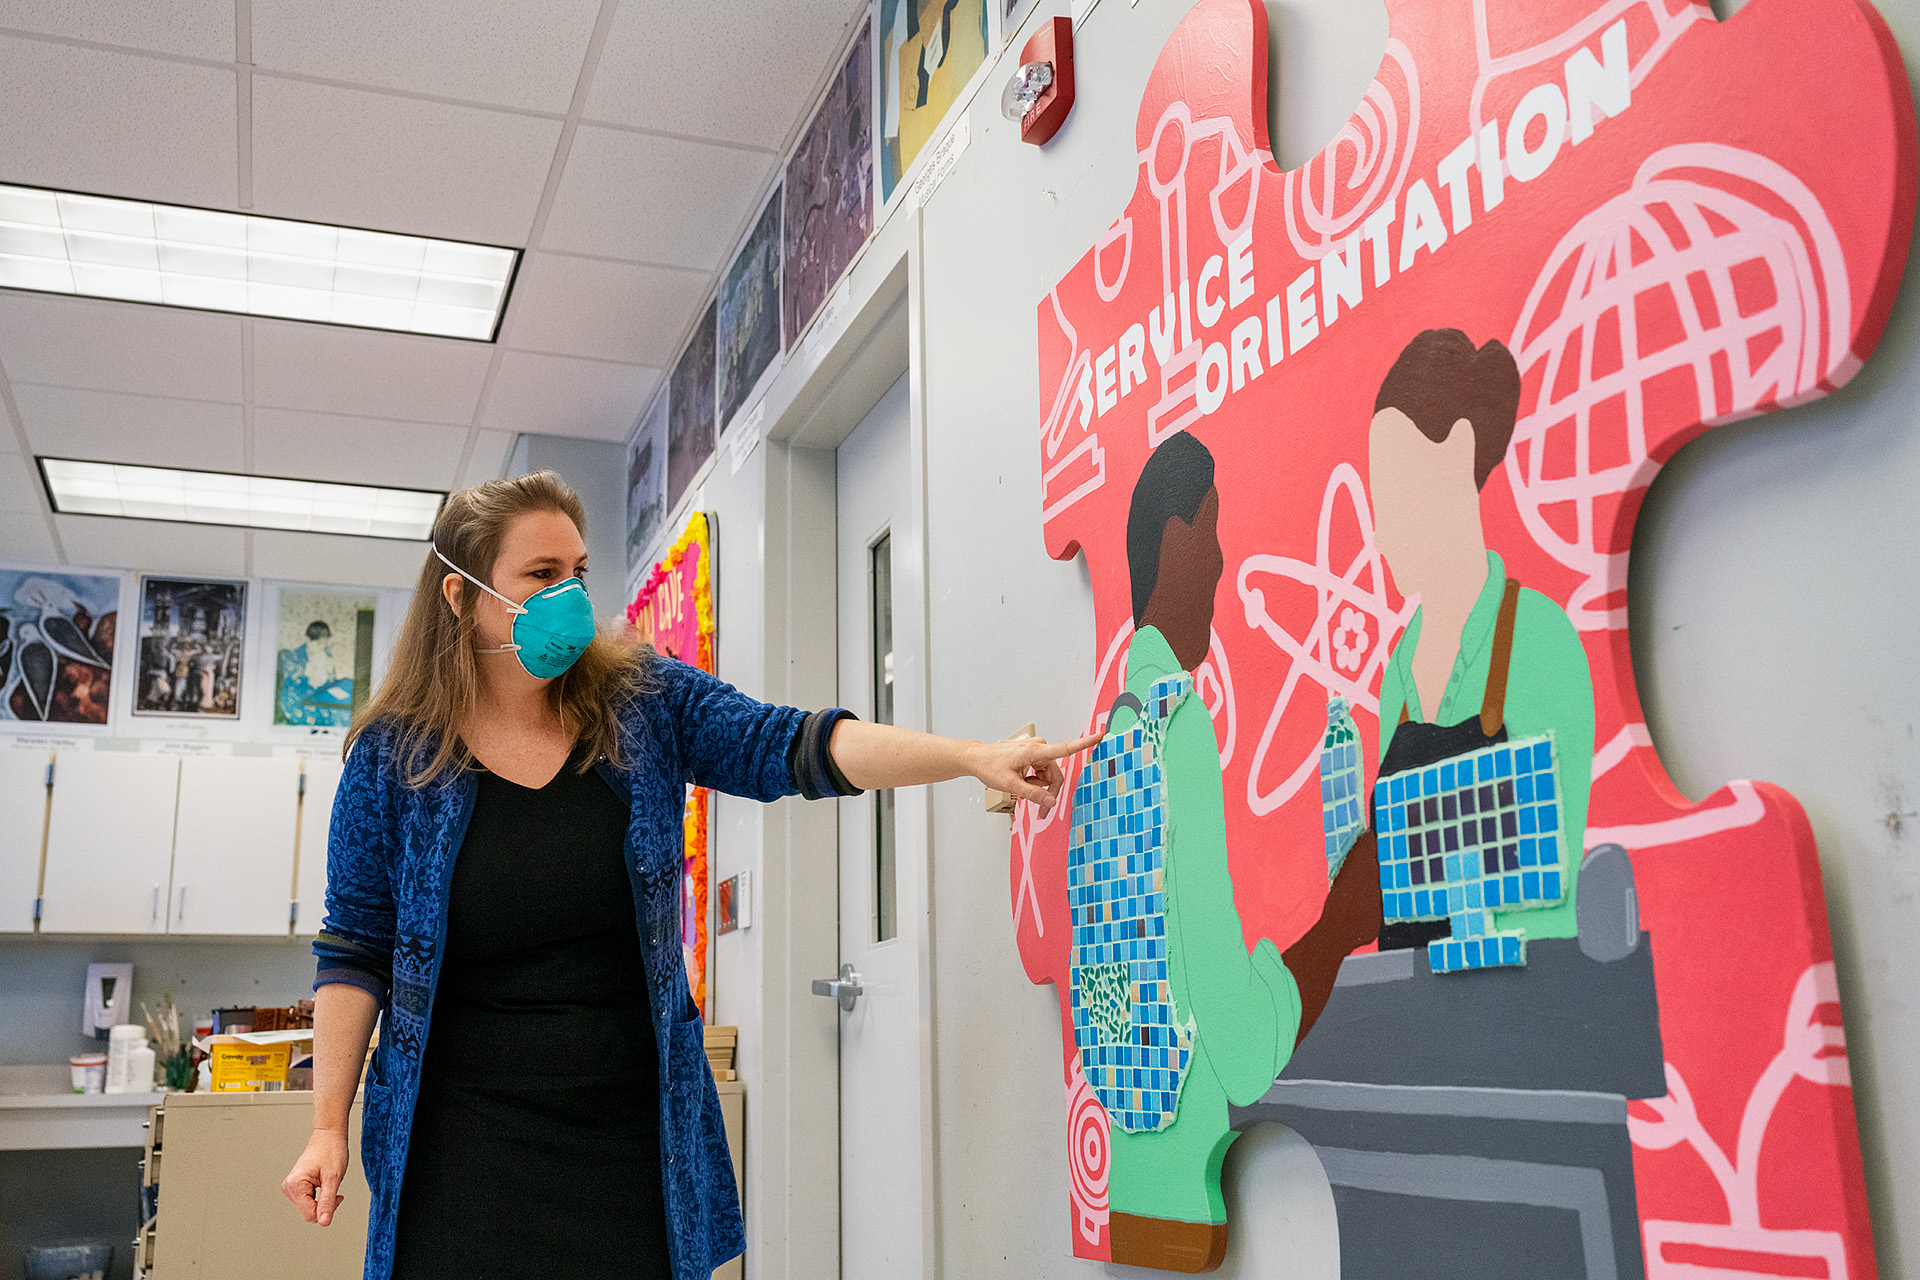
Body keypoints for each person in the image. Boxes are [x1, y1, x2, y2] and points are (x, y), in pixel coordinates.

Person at [281, 471, 1095, 1280]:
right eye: (540, 575)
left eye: (577, 572)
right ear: (459, 596)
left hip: (631, 1137)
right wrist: (328, 1126)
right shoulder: (394, 757)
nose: (569, 595)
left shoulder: (641, 701)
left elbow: (792, 745)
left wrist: (969, 758)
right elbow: (355, 949)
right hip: (460, 1142)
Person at [1084, 432, 1379, 1269]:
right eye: (1215, 530)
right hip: (1202, 1211)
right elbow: (1238, 1036)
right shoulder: (1175, 727)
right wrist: (1341, 924)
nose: (1222, 561)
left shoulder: (1115, 731)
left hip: (1137, 1199)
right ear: (1180, 538)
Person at [1366, 328, 1595, 965]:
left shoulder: (1539, 641)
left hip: (1527, 1010)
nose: (1382, 535)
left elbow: (1552, 904)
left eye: (1394, 491)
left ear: (1459, 450)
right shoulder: (1399, 676)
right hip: (1418, 1024)